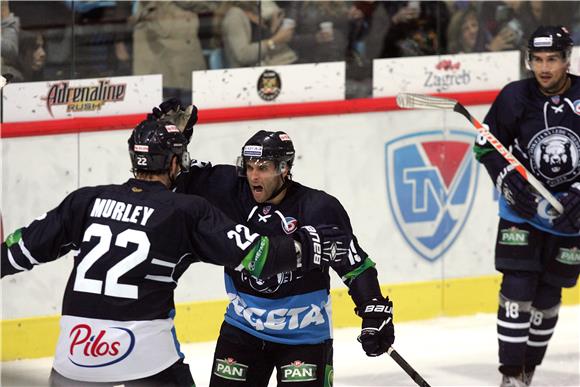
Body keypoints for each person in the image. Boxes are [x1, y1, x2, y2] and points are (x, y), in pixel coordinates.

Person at [1, 116, 352, 386]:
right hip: (145, 355)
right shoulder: (186, 210)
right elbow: (262, 258)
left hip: (75, 353)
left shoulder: (85, 199)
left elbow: (17, 252)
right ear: (172, 165)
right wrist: (313, 245)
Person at [149, 99, 396, 386]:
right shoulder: (228, 190)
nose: (254, 175)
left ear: (285, 168)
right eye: (250, 166)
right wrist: (170, 144)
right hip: (242, 331)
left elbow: (355, 265)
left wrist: (374, 311)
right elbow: (173, 179)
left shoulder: (318, 208)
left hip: (304, 338)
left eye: (263, 168)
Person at [472, 25, 579, 387]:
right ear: (528, 61)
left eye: (552, 59)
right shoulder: (514, 97)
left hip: (571, 221)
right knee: (516, 289)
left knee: (549, 296)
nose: (544, 68)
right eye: (537, 60)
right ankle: (510, 376)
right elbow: (485, 146)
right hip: (522, 214)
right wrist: (507, 181)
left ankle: (527, 372)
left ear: (567, 60)